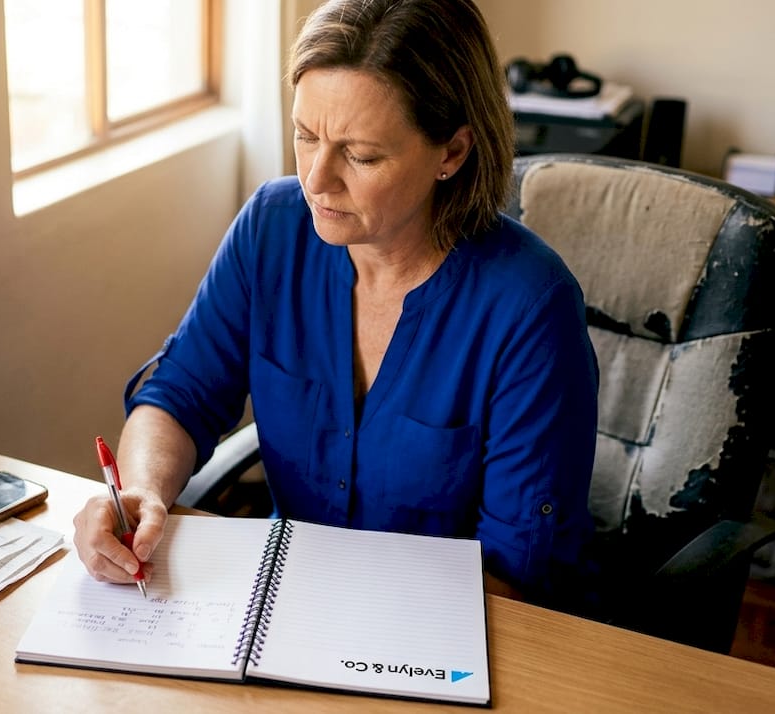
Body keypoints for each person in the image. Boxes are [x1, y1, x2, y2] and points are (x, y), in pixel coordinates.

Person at [73, 0, 598, 603]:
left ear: (451, 153)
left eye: (361, 155)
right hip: (289, 605)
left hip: (454, 636)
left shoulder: (531, 308)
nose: (316, 179)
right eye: (305, 135)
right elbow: (179, 395)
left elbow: (515, 577)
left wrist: (333, 617)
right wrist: (141, 493)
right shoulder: (272, 227)